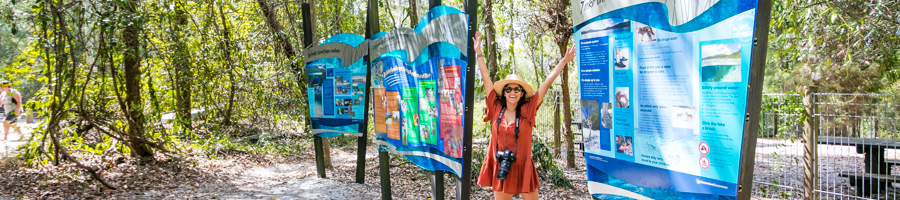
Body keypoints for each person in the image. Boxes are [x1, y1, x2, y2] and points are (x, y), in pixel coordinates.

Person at [473, 32, 576, 200]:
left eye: (517, 89)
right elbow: (486, 78)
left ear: (521, 93)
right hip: (502, 167)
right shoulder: (496, 107)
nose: (512, 92)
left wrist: (564, 61)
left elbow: (546, 83)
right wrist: (478, 52)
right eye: (508, 89)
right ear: (504, 92)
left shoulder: (528, 110)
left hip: (522, 167)